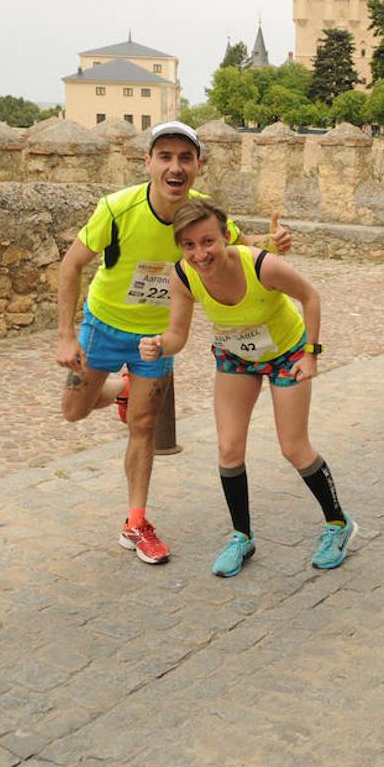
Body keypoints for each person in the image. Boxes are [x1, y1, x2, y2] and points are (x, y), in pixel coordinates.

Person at [55, 121, 290, 566]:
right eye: (165, 156)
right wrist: (67, 334)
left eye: (186, 158)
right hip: (102, 326)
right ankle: (120, 390)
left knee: (143, 426)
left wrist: (271, 244)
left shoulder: (203, 215)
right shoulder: (117, 209)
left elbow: (239, 245)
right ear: (148, 163)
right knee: (73, 410)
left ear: (199, 165)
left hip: (157, 340)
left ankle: (136, 522)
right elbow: (71, 266)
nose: (175, 167)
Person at [138, 198, 355, 574]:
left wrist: (311, 354)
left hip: (287, 352)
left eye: (207, 242)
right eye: (188, 245)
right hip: (235, 356)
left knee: (293, 447)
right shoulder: (183, 276)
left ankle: (338, 524)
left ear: (225, 237)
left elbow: (310, 297)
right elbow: (177, 335)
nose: (200, 253)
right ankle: (242, 536)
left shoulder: (260, 264)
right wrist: (158, 345)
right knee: (229, 448)